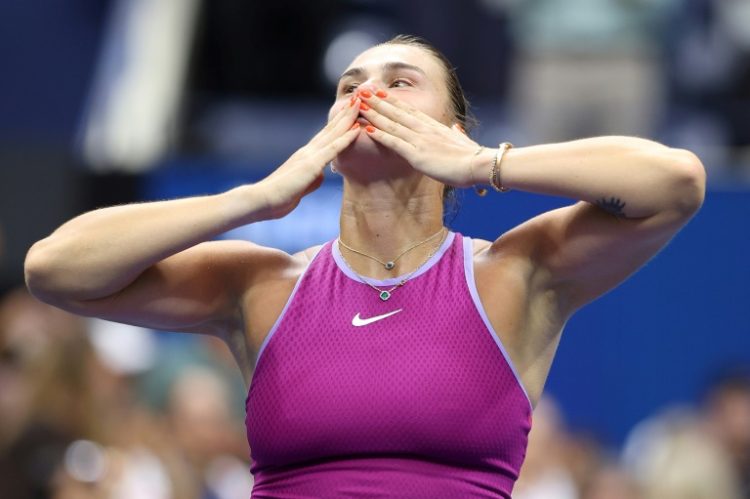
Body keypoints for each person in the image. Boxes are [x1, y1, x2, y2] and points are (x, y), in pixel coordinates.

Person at [24, 35, 705, 498]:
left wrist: (481, 163)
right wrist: (255, 199)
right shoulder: (261, 285)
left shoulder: (515, 273)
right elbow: (56, 268)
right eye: (350, 84)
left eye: (399, 82)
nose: (366, 93)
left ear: (453, 128)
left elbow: (675, 181)